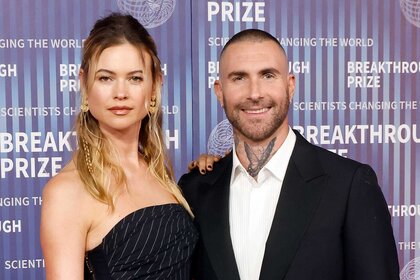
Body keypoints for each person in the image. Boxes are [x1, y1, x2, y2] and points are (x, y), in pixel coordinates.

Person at [179, 29, 400, 280]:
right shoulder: (195, 190)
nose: (255, 93)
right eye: (239, 78)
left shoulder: (349, 185)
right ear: (220, 92)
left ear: (290, 85)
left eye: (268, 75)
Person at [40, 13, 197, 279]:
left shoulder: (160, 174)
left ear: (155, 85)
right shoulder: (67, 192)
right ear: (84, 84)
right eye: (106, 78)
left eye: (135, 78)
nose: (120, 93)